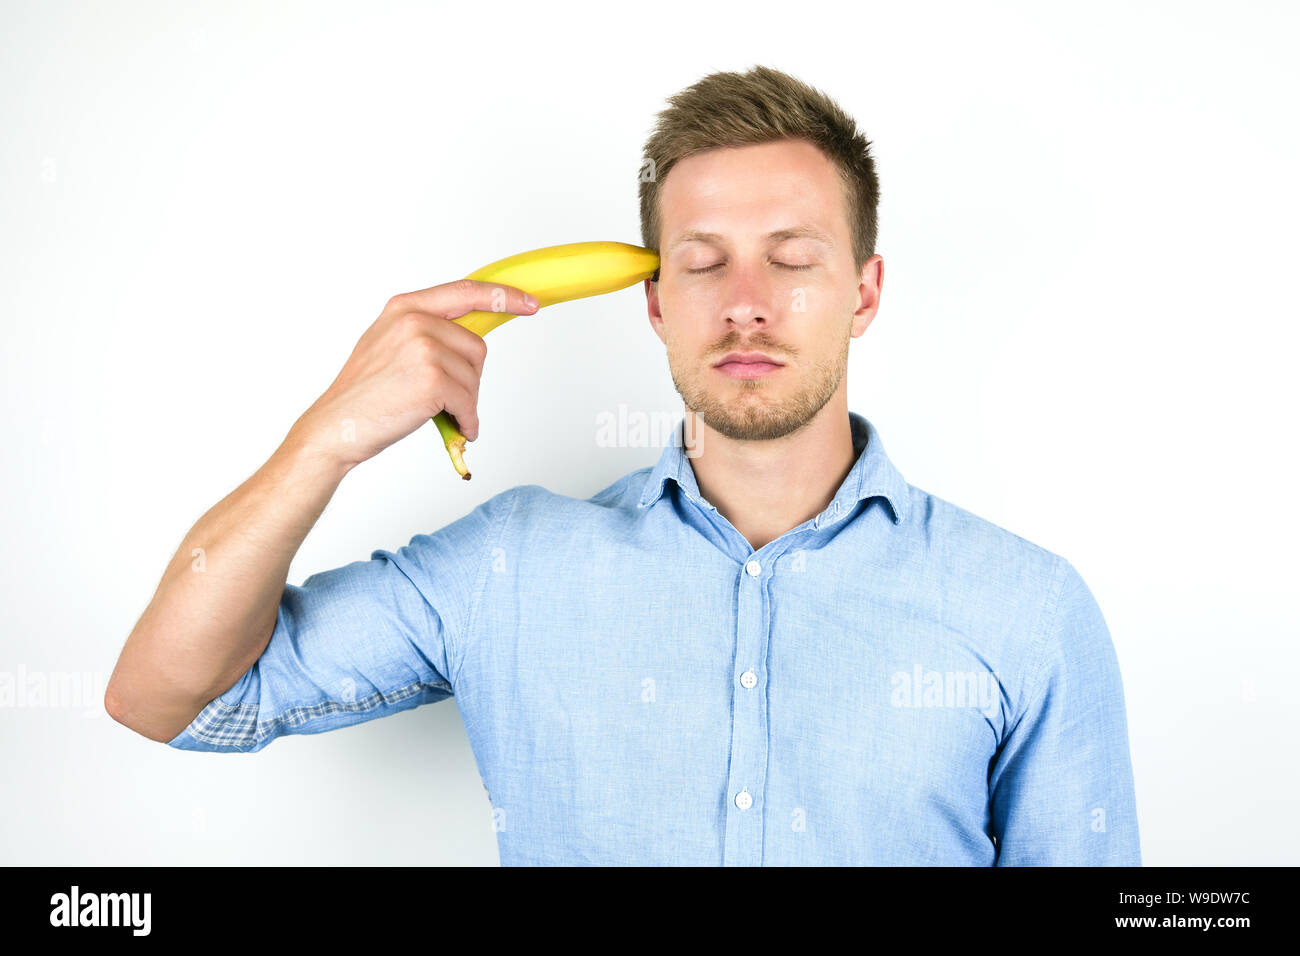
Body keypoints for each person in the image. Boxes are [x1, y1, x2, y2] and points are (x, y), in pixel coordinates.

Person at [106, 64, 1140, 866]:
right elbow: (169, 696)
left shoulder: (1026, 608)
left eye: (791, 257)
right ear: (654, 303)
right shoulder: (509, 568)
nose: (745, 298)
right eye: (700, 261)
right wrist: (323, 435)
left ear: (864, 291)